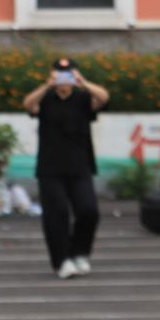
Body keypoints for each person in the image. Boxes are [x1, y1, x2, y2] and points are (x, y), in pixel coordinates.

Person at [23, 58, 109, 279]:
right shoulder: (46, 98)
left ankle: (80, 253)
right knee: (57, 213)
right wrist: (47, 85)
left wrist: (83, 82)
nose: (64, 78)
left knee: (88, 210)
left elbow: (103, 97)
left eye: (68, 73)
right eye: (60, 73)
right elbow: (28, 105)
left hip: (80, 166)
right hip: (50, 168)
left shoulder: (83, 97)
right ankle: (61, 260)